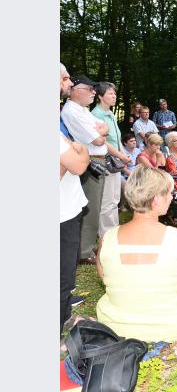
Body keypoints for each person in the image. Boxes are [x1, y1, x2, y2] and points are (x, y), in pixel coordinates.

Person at [95, 165, 177, 342]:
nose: (172, 197)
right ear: (156, 199)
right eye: (168, 193)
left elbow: (105, 276)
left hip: (116, 325)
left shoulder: (108, 238)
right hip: (173, 326)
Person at [61, 75, 109, 265]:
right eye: (89, 89)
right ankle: (84, 250)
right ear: (75, 90)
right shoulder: (71, 111)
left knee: (95, 206)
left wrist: (101, 131)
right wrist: (101, 132)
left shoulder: (82, 110)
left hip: (96, 160)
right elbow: (97, 139)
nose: (93, 92)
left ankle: (87, 245)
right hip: (89, 161)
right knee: (91, 207)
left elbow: (104, 128)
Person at [60, 63, 90, 331]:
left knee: (65, 270)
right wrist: (80, 150)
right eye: (65, 79)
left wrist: (74, 151)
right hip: (62, 211)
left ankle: (65, 313)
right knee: (62, 273)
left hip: (68, 206)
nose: (69, 83)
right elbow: (79, 163)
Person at [91, 82, 132, 239]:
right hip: (105, 161)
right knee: (107, 200)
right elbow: (103, 142)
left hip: (115, 162)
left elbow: (116, 139)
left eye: (115, 93)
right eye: (110, 93)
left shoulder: (110, 113)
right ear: (100, 96)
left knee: (114, 198)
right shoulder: (96, 115)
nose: (114, 96)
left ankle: (113, 231)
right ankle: (106, 236)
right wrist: (121, 156)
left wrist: (123, 156)